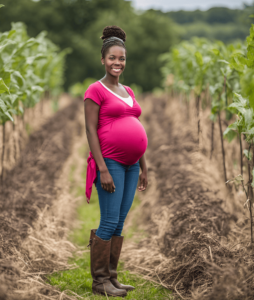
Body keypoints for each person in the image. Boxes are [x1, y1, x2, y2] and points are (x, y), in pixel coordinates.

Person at [84, 25, 148, 297]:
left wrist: (144, 167)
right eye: (112, 58)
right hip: (109, 162)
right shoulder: (95, 90)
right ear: (103, 59)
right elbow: (90, 130)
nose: (117, 62)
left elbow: (134, 124)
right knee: (109, 221)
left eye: (121, 58)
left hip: (132, 165)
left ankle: (111, 278)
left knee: (120, 221)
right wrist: (102, 169)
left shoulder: (129, 90)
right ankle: (99, 283)